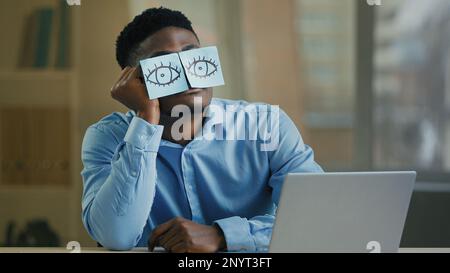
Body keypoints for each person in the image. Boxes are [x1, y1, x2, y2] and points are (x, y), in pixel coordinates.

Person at [81, 7, 323, 252]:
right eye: (164, 66)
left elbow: (317, 219)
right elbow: (115, 235)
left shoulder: (266, 125)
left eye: (192, 57)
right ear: (135, 81)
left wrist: (223, 236)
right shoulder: (108, 137)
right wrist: (145, 121)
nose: (189, 75)